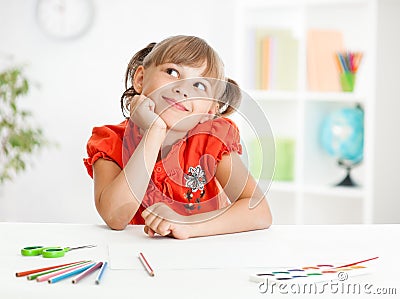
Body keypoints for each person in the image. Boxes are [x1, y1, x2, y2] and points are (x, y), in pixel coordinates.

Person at [84, 35, 272, 239]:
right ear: (140, 79)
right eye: (172, 72)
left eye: (199, 86)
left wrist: (188, 224)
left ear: (210, 110)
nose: (183, 89)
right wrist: (154, 131)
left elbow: (259, 212)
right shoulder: (110, 141)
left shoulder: (211, 141)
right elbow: (115, 217)